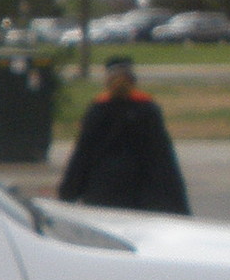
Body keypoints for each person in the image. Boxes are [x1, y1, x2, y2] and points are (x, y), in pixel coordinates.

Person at [58, 55, 190, 214]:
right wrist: (177, 201)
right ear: (133, 80)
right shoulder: (147, 109)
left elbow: (83, 153)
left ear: (107, 80)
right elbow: (162, 156)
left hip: (102, 192)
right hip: (140, 193)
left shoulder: (98, 109)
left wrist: (68, 193)